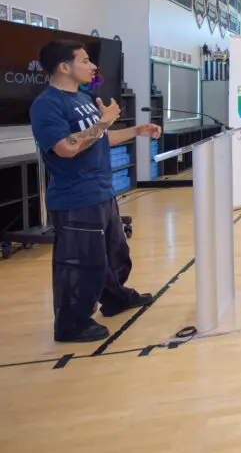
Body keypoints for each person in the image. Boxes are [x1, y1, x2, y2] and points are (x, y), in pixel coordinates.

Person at [29, 40, 160, 342]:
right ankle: (71, 324)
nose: (93, 66)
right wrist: (102, 122)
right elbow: (66, 147)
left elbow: (101, 138)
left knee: (113, 255)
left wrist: (136, 130)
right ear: (64, 66)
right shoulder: (47, 105)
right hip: (76, 197)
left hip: (102, 191)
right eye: (86, 61)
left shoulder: (85, 98)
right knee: (80, 263)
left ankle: (115, 298)